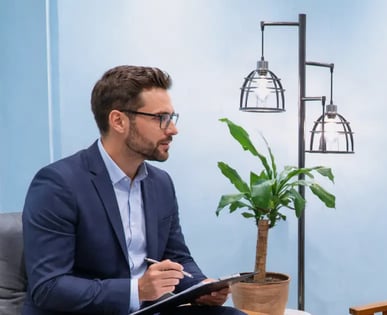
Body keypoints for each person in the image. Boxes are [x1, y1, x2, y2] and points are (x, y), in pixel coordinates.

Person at [22, 65, 245, 315]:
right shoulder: (58, 183)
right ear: (118, 121)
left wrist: (201, 286)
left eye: (172, 118)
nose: (173, 129)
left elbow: (176, 257)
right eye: (161, 118)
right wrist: (137, 290)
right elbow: (49, 287)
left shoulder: (161, 183)